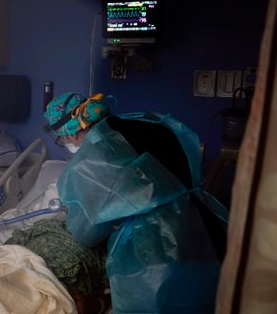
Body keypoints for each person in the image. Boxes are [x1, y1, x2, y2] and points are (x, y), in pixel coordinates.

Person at [41, 92, 228, 313]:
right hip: (204, 222)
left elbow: (86, 232)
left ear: (70, 134)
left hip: (158, 245)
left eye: (61, 139)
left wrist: (75, 216)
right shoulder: (144, 120)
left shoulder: (93, 159)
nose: (65, 144)